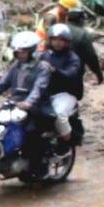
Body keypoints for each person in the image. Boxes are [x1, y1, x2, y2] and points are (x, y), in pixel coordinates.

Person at [0, 31, 51, 175]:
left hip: (37, 107)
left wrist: (29, 102)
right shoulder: (16, 66)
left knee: (31, 133)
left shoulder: (43, 67)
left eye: (23, 51)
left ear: (32, 51)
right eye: (18, 52)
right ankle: (6, 156)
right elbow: (2, 84)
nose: (20, 54)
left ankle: (37, 167)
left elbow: (39, 88)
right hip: (16, 105)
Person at [40, 24, 83, 157]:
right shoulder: (44, 55)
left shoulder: (73, 58)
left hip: (66, 93)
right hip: (45, 92)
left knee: (59, 115)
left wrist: (55, 71)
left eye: (61, 40)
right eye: (54, 39)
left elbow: (71, 74)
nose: (57, 43)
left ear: (66, 42)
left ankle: (67, 141)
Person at [66, 8, 104, 87]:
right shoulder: (82, 34)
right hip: (73, 72)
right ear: (81, 20)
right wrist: (98, 73)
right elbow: (91, 56)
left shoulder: (57, 28)